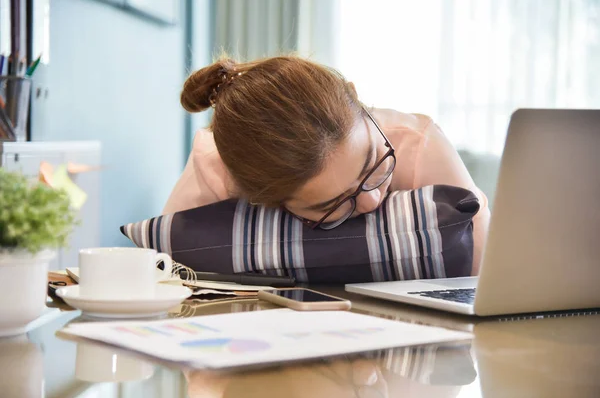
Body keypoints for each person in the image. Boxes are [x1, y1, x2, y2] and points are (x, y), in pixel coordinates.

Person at [164, 56, 490, 274]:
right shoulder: (216, 168)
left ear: (357, 97)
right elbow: (167, 278)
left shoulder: (418, 145)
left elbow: (486, 274)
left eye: (374, 163)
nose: (372, 200)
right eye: (334, 204)